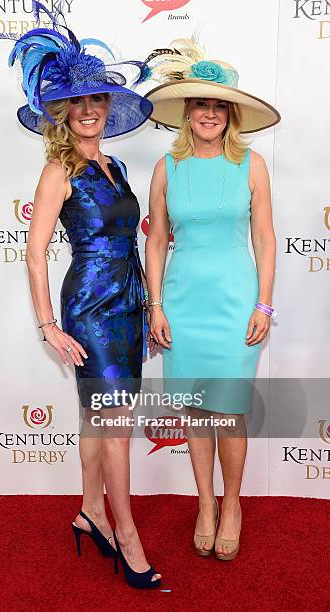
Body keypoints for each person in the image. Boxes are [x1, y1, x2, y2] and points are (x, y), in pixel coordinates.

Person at [0, 0, 161, 589]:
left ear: (107, 108)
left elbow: (132, 236)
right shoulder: (58, 170)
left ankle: (89, 512)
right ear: (61, 111)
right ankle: (127, 536)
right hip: (88, 305)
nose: (88, 111)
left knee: (100, 420)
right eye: (77, 103)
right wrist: (48, 325)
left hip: (128, 300)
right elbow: (35, 255)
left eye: (96, 100)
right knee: (114, 424)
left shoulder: (118, 169)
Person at [144, 38, 280, 560]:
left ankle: (233, 504)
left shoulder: (252, 163)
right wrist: (155, 305)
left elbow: (265, 239)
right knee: (197, 412)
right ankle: (205, 504)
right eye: (200, 104)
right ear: (187, 112)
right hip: (181, 302)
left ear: (230, 112)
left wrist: (263, 304)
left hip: (235, 302)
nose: (209, 113)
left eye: (218, 104)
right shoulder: (166, 166)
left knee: (228, 412)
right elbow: (156, 239)